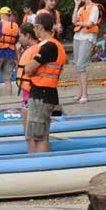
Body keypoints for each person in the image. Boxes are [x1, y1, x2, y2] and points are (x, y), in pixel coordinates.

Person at [24, 13, 67, 153]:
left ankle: (41, 166)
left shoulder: (49, 46)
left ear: (40, 27)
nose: (33, 30)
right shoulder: (52, 45)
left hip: (42, 95)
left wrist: (28, 67)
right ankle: (39, 164)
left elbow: (29, 69)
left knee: (39, 136)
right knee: (38, 134)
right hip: (44, 93)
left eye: (35, 26)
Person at [72, 0, 104, 103]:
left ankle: (85, 94)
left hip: (88, 37)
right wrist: (76, 6)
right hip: (78, 37)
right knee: (77, 65)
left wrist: (79, 24)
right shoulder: (81, 8)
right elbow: (73, 21)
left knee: (81, 65)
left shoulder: (94, 8)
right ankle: (80, 93)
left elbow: (90, 24)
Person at [0, 7, 19, 97]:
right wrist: (17, 59)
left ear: (1, 14)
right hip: (10, 54)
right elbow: (17, 44)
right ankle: (9, 98)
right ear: (9, 15)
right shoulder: (16, 26)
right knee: (7, 79)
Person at [16, 22, 41, 132]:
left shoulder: (36, 49)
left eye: (20, 36)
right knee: (28, 130)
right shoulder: (30, 49)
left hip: (32, 93)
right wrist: (19, 53)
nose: (19, 39)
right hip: (27, 92)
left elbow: (31, 70)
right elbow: (21, 68)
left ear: (28, 36)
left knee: (29, 131)